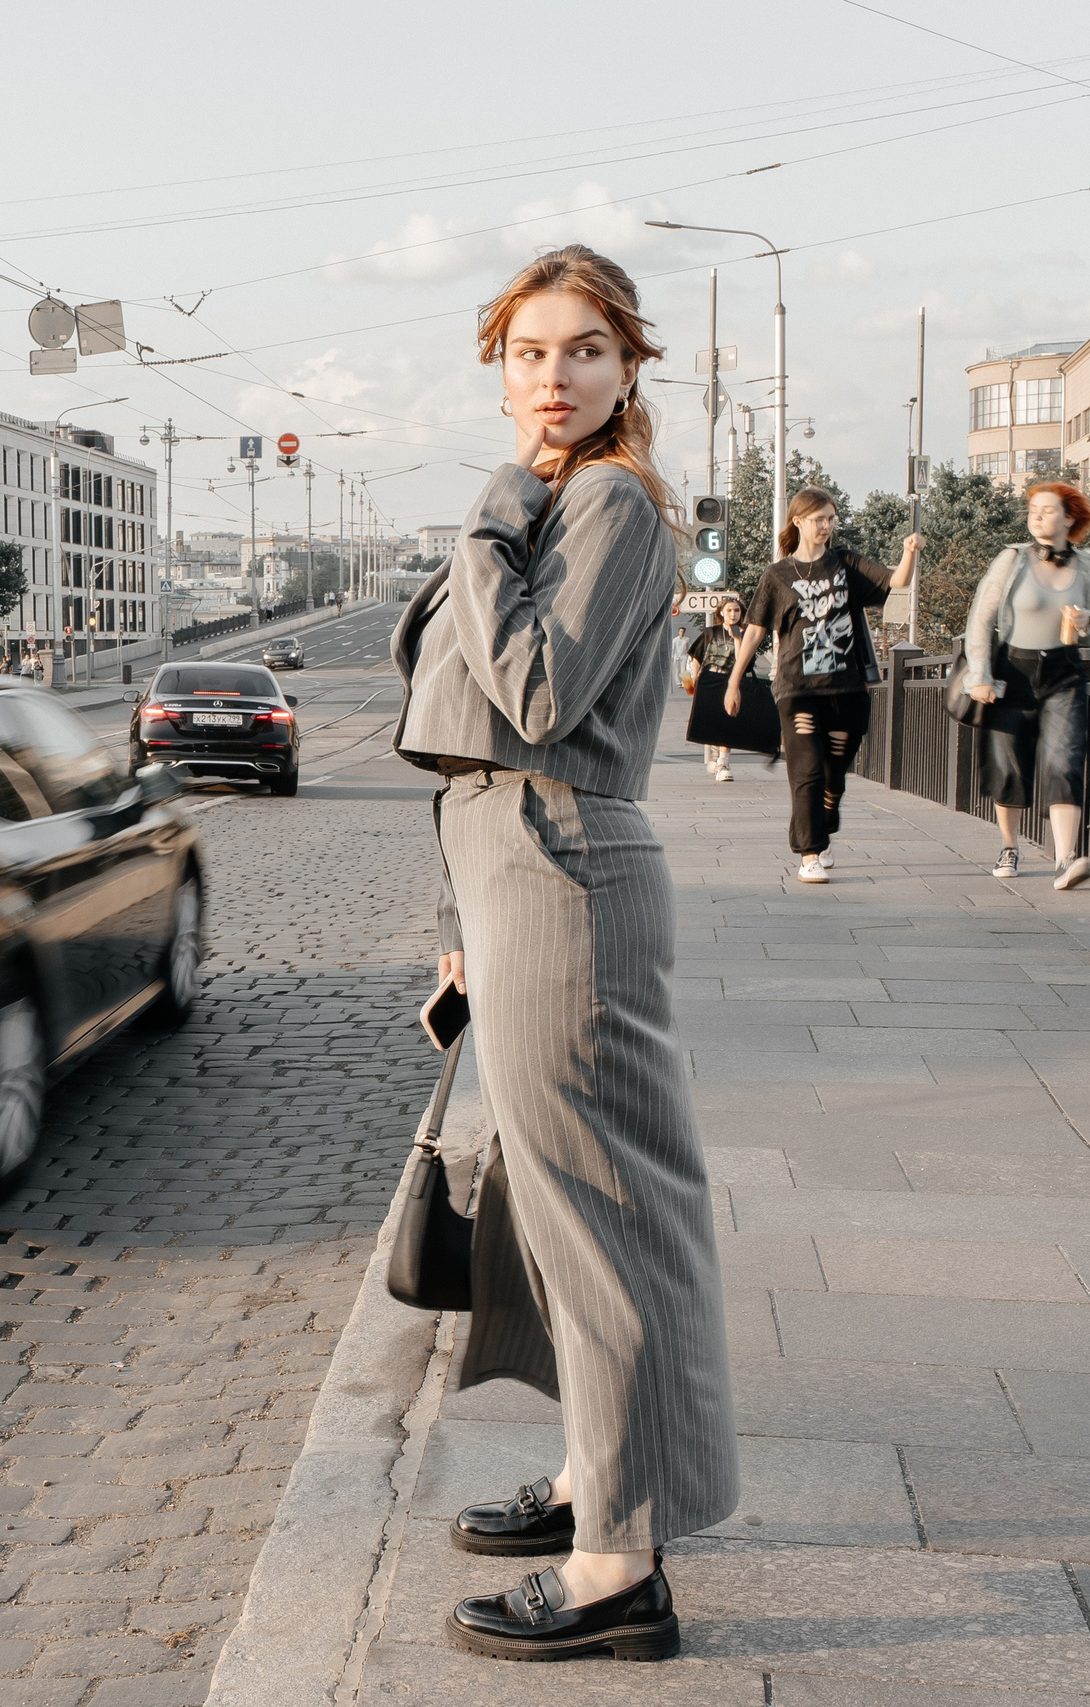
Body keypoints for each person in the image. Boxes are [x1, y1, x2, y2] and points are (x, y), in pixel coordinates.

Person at [390, 244, 737, 1664]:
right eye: (530, 352)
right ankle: (606, 1474)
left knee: (602, 1220)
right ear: (500, 365)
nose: (555, 375)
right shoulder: (558, 498)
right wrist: (464, 925)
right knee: (558, 1212)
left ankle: (619, 1561)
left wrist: (490, 511)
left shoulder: (602, 499)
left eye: (584, 349)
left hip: (563, 863)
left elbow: (532, 692)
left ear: (628, 367)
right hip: (518, 872)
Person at [725, 489, 921, 883]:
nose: (828, 526)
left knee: (834, 774)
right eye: (820, 519)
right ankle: (809, 852)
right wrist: (734, 682)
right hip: (797, 689)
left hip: (847, 688)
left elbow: (897, 582)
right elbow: (754, 632)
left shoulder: (846, 563)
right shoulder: (777, 576)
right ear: (799, 521)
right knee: (808, 770)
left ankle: (826, 817)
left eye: (832, 519)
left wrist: (910, 551)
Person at [962, 482, 1090, 887]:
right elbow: (982, 616)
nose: (1037, 516)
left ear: (1069, 517)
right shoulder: (1011, 559)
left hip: (1064, 672)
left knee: (1064, 760)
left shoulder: (1087, 565)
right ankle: (1009, 845)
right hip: (1012, 670)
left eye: (1047, 510)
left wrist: (1085, 622)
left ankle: (1065, 859)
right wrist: (979, 676)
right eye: (1033, 509)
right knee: (1008, 763)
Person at [684, 595, 750, 780]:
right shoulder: (710, 632)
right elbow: (696, 656)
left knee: (727, 721)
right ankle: (715, 754)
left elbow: (743, 660)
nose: (733, 614)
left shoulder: (744, 634)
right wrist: (693, 679)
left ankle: (723, 763)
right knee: (710, 722)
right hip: (708, 681)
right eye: (729, 610)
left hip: (731, 682)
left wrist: (737, 638)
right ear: (721, 612)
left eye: (737, 610)